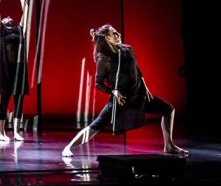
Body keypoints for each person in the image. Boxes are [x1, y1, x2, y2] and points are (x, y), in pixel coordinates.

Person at [62, 24, 188, 157]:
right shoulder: (104, 60)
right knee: (95, 126)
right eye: (114, 33)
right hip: (122, 100)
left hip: (138, 95)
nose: (118, 34)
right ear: (107, 38)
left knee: (168, 110)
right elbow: (98, 84)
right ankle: (68, 147)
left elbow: (137, 70)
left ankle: (169, 145)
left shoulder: (127, 49)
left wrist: (145, 87)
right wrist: (113, 92)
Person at [0, 0, 29, 141]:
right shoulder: (1, 31)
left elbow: (26, 11)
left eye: (9, 17)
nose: (7, 16)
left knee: (18, 101)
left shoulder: (19, 30)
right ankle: (1, 133)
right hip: (6, 71)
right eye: (4, 17)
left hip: (19, 70)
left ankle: (15, 132)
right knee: (4, 101)